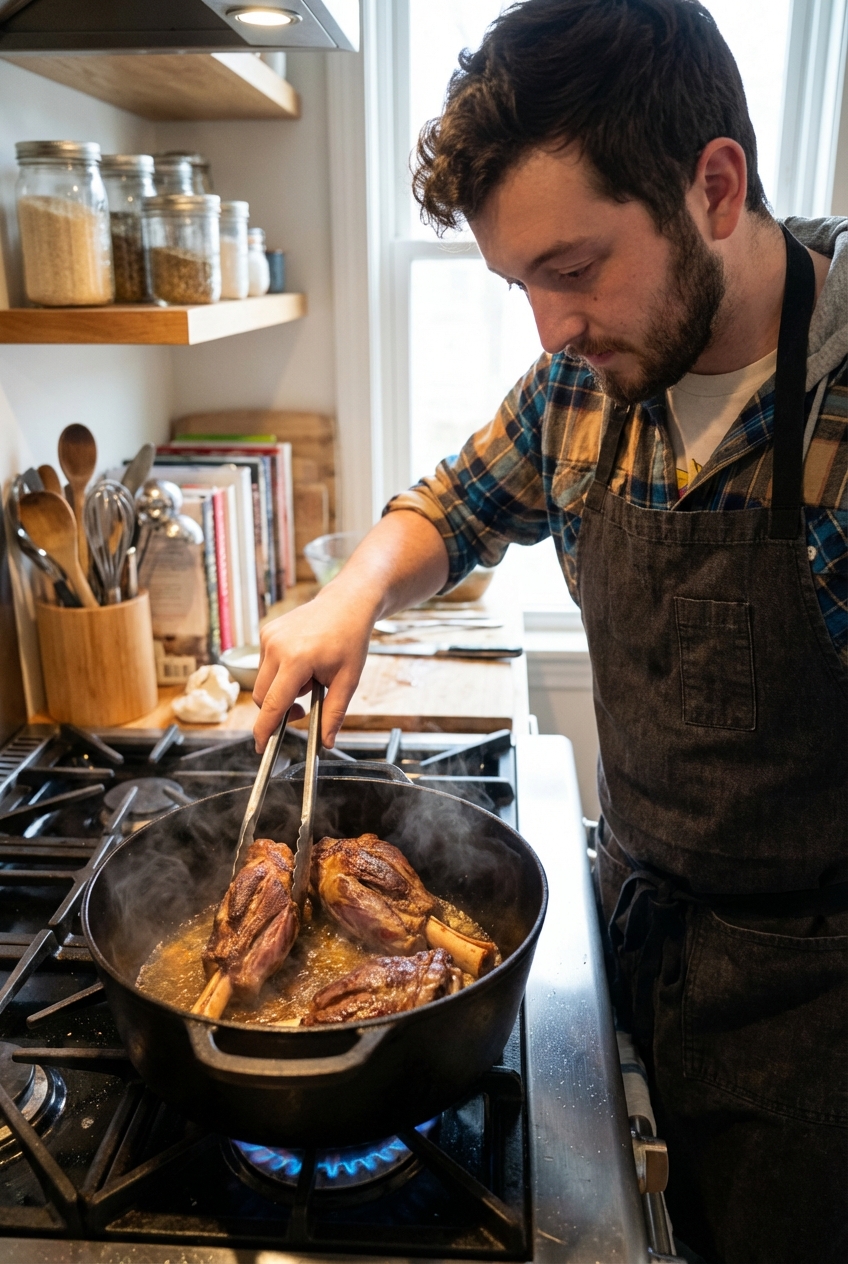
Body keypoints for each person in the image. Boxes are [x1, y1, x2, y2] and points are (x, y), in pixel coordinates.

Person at [253, 2, 847, 1259]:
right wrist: (349, 594)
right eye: (519, 283)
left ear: (715, 186)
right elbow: (454, 506)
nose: (550, 327)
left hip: (814, 1015)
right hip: (633, 931)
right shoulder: (585, 382)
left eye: (570, 269)